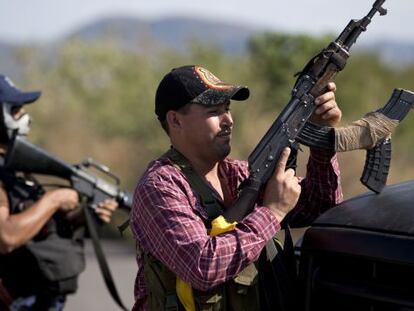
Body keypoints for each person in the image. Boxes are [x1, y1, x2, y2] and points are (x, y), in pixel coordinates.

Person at [130, 65, 343, 310]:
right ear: (175, 120)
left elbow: (322, 206)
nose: (228, 120)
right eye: (214, 111)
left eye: (227, 109)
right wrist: (272, 213)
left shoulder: (239, 174)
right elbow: (202, 266)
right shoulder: (160, 187)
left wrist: (322, 134)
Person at [0, 75, 118, 311]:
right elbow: (6, 237)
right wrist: (53, 200)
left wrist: (86, 216)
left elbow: (37, 229)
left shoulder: (10, 169)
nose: (24, 117)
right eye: (16, 110)